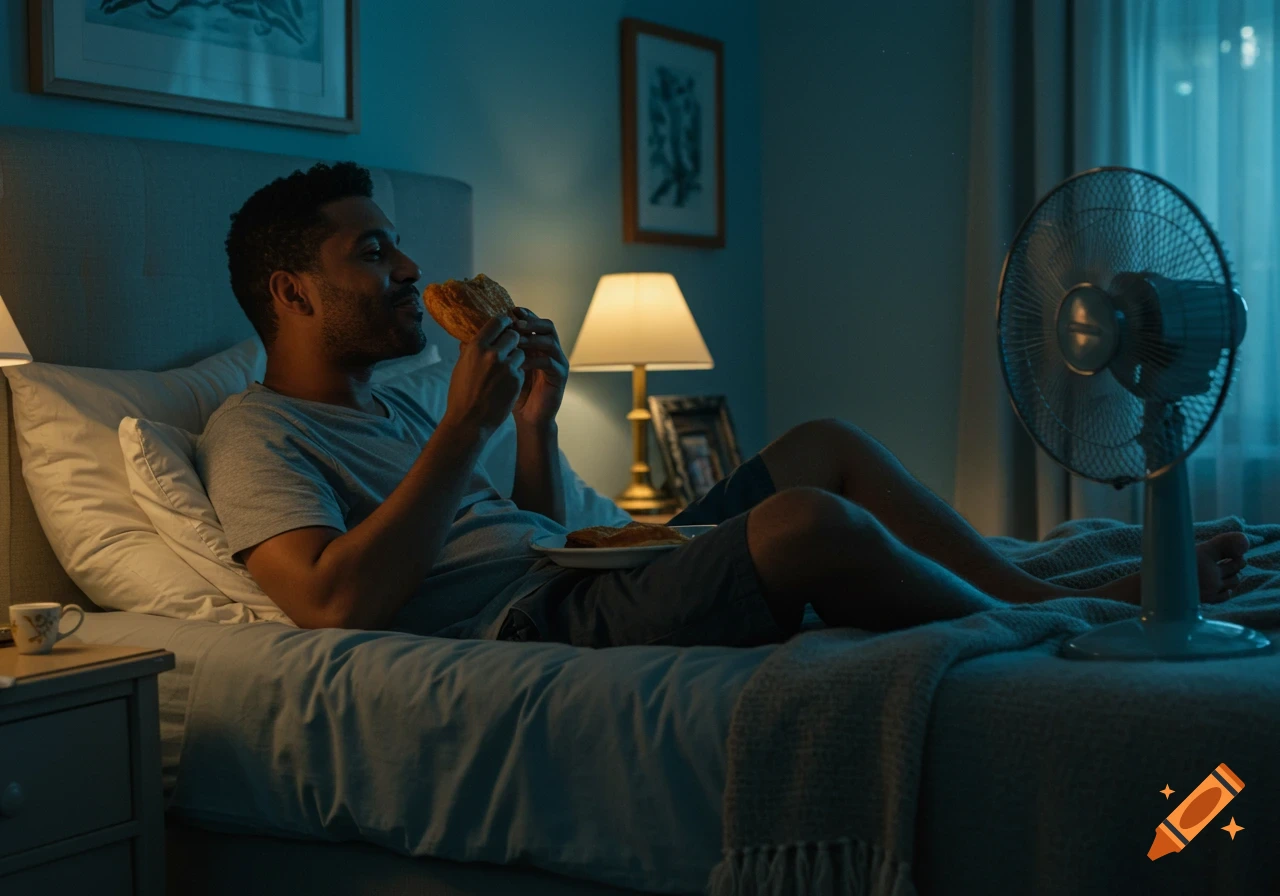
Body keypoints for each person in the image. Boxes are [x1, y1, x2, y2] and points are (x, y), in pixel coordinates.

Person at [198, 161, 1250, 648]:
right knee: (799, 523)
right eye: (371, 250)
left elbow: (537, 532)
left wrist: (528, 430)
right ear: (291, 291)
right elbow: (331, 604)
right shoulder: (255, 431)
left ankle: (1023, 582)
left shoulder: (395, 409)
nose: (408, 264)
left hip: (562, 572)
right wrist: (463, 430)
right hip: (525, 625)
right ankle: (1067, 612)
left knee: (821, 446)